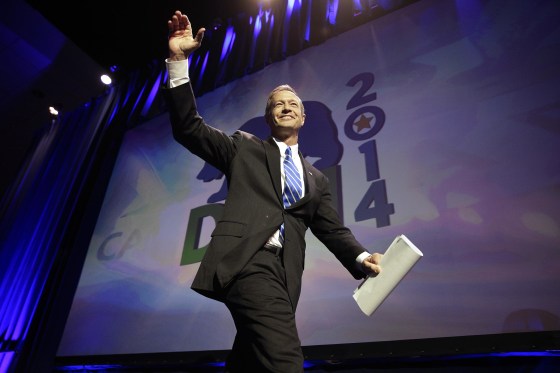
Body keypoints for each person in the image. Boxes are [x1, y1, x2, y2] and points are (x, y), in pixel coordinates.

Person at [163, 10, 383, 373]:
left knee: (250, 362)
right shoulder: (243, 147)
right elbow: (188, 128)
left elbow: (331, 229)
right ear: (269, 116)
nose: (286, 106)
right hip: (247, 261)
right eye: (278, 103)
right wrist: (177, 59)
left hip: (285, 275)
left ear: (302, 117)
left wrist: (361, 259)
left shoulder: (317, 179)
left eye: (293, 104)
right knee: (284, 360)